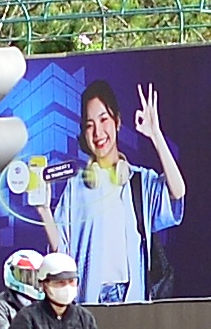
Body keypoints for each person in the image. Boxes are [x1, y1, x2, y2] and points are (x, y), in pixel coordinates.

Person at [16, 81, 187, 304]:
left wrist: (155, 134)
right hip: (90, 299)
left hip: (132, 298)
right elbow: (60, 250)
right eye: (89, 124)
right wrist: (44, 210)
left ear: (117, 122)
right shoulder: (76, 186)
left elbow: (177, 190)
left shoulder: (137, 180)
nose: (97, 132)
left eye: (104, 119)